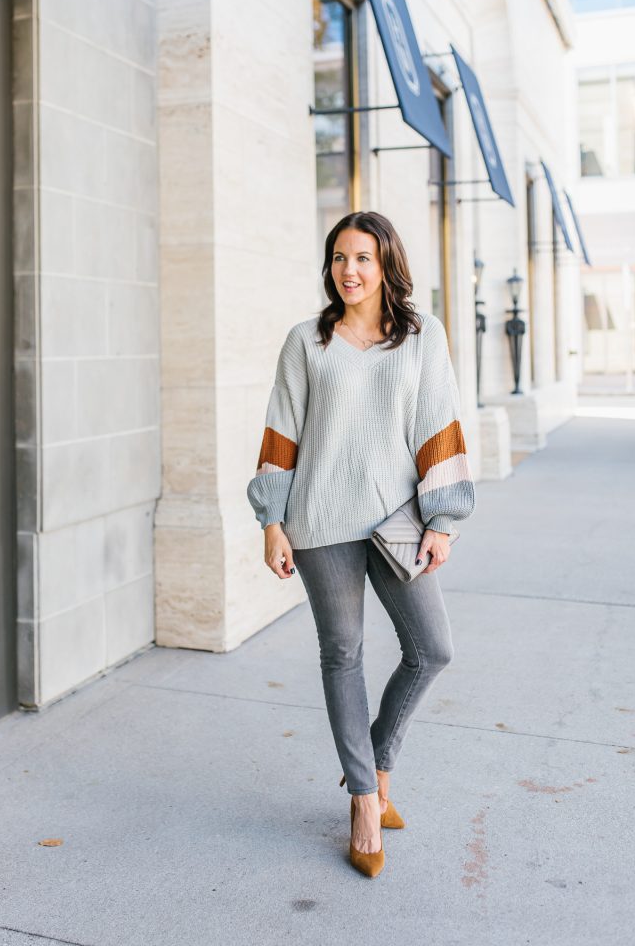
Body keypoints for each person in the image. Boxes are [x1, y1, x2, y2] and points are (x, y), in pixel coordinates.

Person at [246, 210, 476, 877]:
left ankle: (373, 771)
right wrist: (271, 520)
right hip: (319, 523)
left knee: (431, 649)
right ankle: (363, 804)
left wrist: (444, 519)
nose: (348, 270)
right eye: (338, 258)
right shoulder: (305, 341)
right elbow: (280, 435)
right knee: (341, 655)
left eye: (362, 259)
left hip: (396, 522)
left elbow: (441, 426)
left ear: (385, 266)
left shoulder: (421, 335)